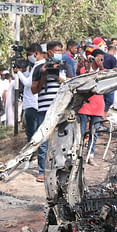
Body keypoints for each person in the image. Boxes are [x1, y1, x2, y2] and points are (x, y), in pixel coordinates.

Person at [32, 42, 67, 181]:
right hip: (44, 110)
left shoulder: (65, 66)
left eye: (60, 50)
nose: (58, 52)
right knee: (44, 141)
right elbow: (34, 90)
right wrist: (44, 76)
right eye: (55, 50)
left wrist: (59, 78)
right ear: (49, 52)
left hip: (61, 108)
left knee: (61, 140)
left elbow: (72, 83)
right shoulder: (40, 68)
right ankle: (42, 170)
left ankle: (60, 169)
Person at [79, 49, 106, 163]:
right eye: (98, 58)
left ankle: (91, 155)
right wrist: (89, 66)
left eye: (102, 59)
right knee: (81, 132)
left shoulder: (103, 71)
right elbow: (83, 80)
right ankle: (78, 154)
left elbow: (105, 79)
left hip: (98, 106)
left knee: (94, 133)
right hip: (85, 105)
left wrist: (101, 67)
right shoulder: (85, 69)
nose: (100, 60)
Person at [17, 42, 42, 140]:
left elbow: (28, 83)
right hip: (31, 104)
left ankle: (32, 153)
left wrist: (18, 72)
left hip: (32, 104)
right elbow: (29, 77)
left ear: (36, 53)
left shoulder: (37, 66)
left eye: (29, 55)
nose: (28, 57)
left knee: (32, 132)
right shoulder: (34, 66)